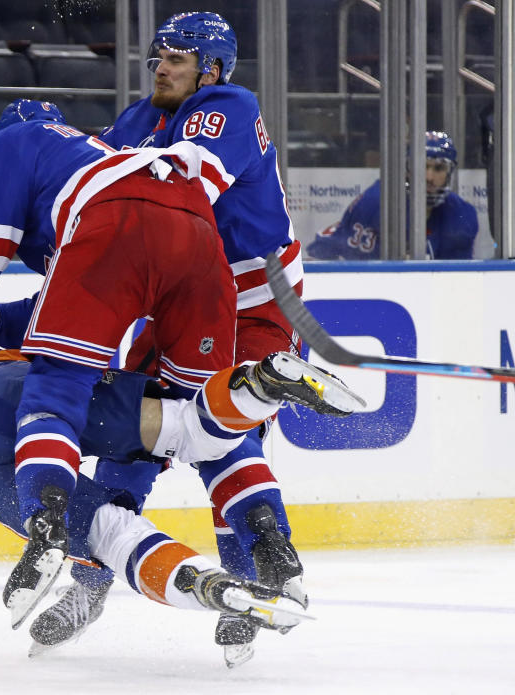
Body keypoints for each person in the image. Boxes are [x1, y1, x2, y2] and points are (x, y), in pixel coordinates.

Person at [0, 98, 248, 629]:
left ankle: (47, 524)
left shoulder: (8, 143)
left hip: (117, 232)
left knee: (54, 393)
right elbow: (64, 306)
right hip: (196, 234)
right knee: (187, 419)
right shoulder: (92, 156)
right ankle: (263, 556)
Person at [0, 339, 362, 654]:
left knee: (107, 528)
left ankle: (208, 586)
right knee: (179, 425)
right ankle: (261, 384)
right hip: (24, 381)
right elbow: (19, 318)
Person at [59, 11, 306, 667]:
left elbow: (186, 187)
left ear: (213, 69)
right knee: (127, 430)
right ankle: (90, 580)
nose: (161, 67)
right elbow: (86, 175)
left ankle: (254, 580)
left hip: (253, 300)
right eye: (158, 57)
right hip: (184, 293)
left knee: (224, 431)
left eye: (176, 58)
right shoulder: (149, 114)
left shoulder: (228, 106)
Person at [306, 131, 479, 260]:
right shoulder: (377, 203)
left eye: (439, 168)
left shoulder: (462, 216)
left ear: (450, 172)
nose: (429, 177)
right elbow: (355, 272)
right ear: (408, 169)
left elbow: (455, 283)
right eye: (422, 166)